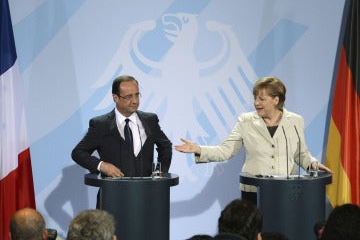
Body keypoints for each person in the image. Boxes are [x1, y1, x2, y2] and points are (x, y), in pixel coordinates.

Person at [175, 76, 332, 203]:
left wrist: (312, 163)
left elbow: (300, 153)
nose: (256, 103)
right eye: (255, 98)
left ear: (276, 100)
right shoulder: (246, 121)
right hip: (254, 191)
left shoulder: (296, 121)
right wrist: (199, 149)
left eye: (262, 99)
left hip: (287, 190)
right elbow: (226, 150)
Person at [72, 75, 172, 204]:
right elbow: (78, 152)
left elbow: (166, 146)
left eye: (137, 95)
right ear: (115, 98)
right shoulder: (100, 125)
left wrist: (160, 174)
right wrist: (101, 165)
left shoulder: (150, 120)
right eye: (129, 97)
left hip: (147, 198)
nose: (135, 101)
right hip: (113, 198)